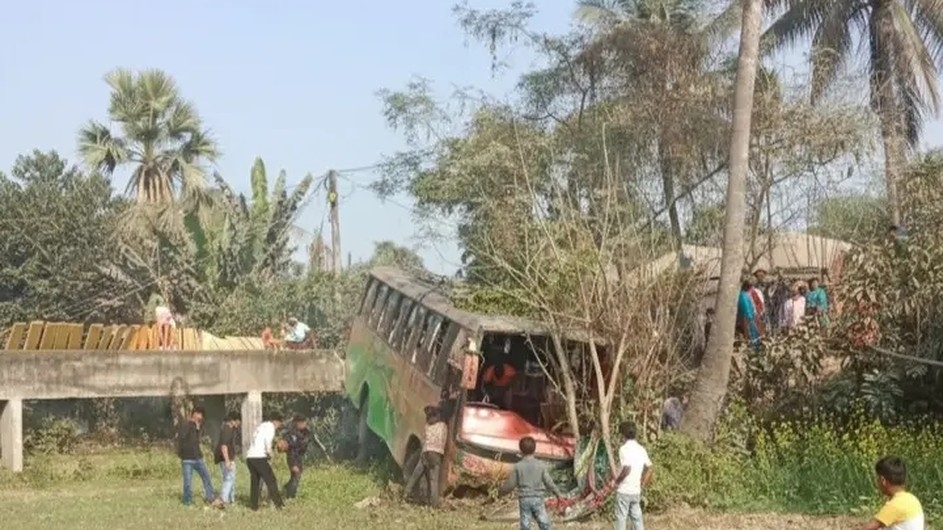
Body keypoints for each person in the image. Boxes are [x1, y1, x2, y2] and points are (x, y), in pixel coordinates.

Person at [499, 436, 563, 530]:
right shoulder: (540, 465)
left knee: (525, 523)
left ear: (521, 450)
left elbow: (510, 485)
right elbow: (548, 481)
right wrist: (558, 494)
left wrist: (501, 492)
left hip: (524, 498)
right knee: (543, 521)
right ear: (534, 449)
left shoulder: (518, 466)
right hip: (538, 498)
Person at [854, 456, 923, 530]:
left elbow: (868, 528)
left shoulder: (895, 504)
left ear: (883, 480)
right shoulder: (912, 499)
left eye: (878, 479)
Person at [404, 405, 448, 507]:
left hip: (425, 452)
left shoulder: (427, 426)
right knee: (434, 480)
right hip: (436, 454)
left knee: (416, 474)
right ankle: (434, 504)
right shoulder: (443, 425)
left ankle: (406, 493)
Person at [177, 407, 221, 507]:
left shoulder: (198, 426)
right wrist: (181, 453)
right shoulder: (186, 424)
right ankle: (187, 501)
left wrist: (197, 428)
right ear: (194, 414)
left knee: (206, 477)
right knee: (187, 481)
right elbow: (182, 439)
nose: (200, 417)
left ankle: (210, 497)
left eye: (202, 416)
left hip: (198, 457)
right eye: (199, 414)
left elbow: (196, 441)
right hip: (187, 458)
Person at [614, 422, 653, 530]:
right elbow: (650, 467)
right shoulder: (641, 449)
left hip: (624, 490)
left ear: (623, 435)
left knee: (621, 518)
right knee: (637, 519)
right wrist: (643, 483)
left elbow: (627, 469)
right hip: (636, 491)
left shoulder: (623, 449)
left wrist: (616, 481)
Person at [245, 414, 285, 511]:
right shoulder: (271, 428)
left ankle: (254, 506)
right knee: (271, 480)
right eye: (279, 424)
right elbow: (267, 442)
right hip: (259, 457)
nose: (279, 426)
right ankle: (279, 504)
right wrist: (269, 453)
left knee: (255, 482)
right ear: (276, 421)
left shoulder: (262, 426)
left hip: (250, 457)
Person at [213, 411, 241, 506]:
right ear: (233, 420)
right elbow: (223, 446)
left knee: (231, 479)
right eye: (238, 421)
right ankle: (223, 499)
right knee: (228, 479)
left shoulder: (231, 429)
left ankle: (231, 499)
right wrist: (227, 460)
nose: (239, 423)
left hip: (230, 458)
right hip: (225, 458)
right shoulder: (227, 429)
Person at [282, 415, 311, 500]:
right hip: (292, 456)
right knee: (296, 474)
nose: (304, 424)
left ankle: (287, 487)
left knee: (296, 475)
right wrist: (293, 463)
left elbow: (308, 440)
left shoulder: (306, 432)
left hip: (300, 456)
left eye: (304, 422)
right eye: (302, 422)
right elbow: (289, 449)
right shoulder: (291, 433)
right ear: (297, 423)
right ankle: (290, 496)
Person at [737, 280, 761, 346]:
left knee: (751, 333)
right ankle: (754, 346)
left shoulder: (743, 294)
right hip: (748, 317)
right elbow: (746, 308)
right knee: (750, 333)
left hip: (748, 316)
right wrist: (751, 317)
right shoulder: (743, 295)